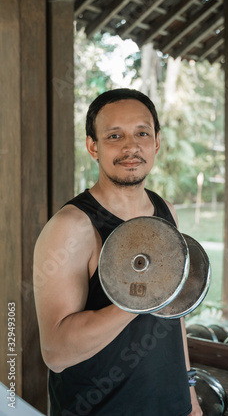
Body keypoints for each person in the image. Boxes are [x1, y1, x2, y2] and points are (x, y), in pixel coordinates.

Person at [33, 88, 202, 416]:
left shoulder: (165, 210)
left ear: (156, 143)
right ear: (93, 146)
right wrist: (141, 297)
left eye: (142, 133)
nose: (131, 147)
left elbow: (173, 313)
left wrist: (189, 392)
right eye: (115, 135)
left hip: (173, 405)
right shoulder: (72, 227)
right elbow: (56, 353)